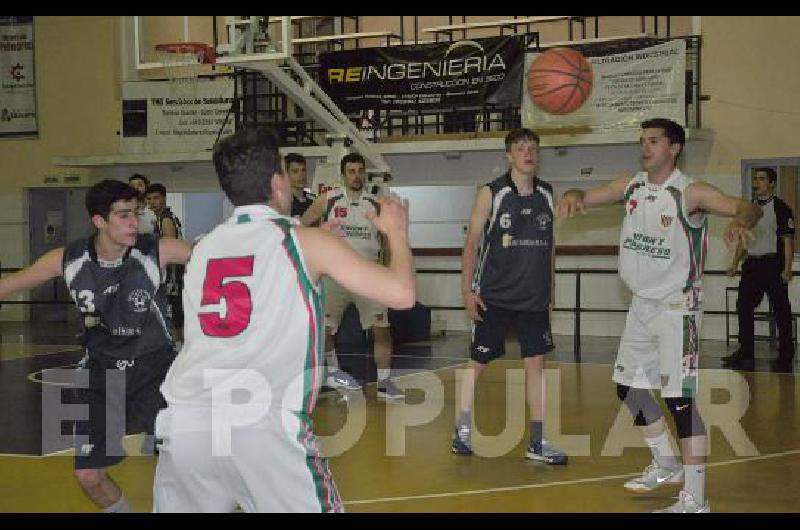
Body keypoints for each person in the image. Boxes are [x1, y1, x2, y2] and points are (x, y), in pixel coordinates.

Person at [152, 127, 415, 512]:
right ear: (278, 183)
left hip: (186, 426)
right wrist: (397, 232)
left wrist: (315, 240)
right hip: (263, 430)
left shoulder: (203, 249)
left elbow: (256, 282)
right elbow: (402, 293)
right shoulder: (300, 241)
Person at [556, 118, 761, 513]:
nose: (645, 147)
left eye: (654, 141)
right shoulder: (630, 185)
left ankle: (696, 500)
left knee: (679, 400)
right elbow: (589, 195)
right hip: (641, 306)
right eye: (642, 140)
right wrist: (576, 193)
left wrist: (739, 220)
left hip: (677, 309)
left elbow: (748, 207)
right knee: (628, 387)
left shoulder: (691, 192)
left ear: (675, 148)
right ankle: (667, 463)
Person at [0, 179, 191, 513]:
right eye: (123, 215)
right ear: (99, 221)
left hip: (155, 368)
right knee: (89, 475)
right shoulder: (69, 259)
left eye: (136, 212)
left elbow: (218, 257)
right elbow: (10, 285)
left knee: (193, 461)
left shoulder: (156, 250)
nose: (134, 222)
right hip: (102, 372)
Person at [450, 128, 567, 465]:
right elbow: (472, 243)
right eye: (520, 148)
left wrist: (551, 287)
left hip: (533, 298)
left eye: (533, 148)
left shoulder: (546, 193)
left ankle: (537, 440)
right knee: (479, 362)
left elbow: (550, 244)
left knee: (537, 365)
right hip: (495, 296)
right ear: (509, 155)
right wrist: (468, 290)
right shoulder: (492, 193)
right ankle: (462, 431)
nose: (528, 153)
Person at [301, 153, 404, 399]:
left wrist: (388, 269)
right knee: (325, 331)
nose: (357, 176)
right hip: (335, 275)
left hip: (368, 275)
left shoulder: (376, 203)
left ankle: (384, 382)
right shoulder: (329, 200)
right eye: (352, 171)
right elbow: (302, 226)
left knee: (381, 329)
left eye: (360, 171)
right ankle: (336, 375)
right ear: (343, 175)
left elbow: (388, 239)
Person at [723, 167, 795, 372]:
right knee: (743, 305)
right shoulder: (749, 209)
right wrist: (735, 262)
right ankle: (746, 353)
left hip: (773, 265)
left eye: (762, 179)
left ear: (772, 183)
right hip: (752, 265)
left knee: (781, 310)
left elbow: (788, 241)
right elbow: (742, 240)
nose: (757, 182)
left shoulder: (781, 209)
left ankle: (785, 355)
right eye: (755, 179)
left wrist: (787, 268)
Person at [145, 183, 186, 338]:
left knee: (174, 311)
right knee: (173, 310)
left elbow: (168, 247)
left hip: (173, 271)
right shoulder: (162, 218)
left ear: (164, 198)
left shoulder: (166, 219)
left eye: (156, 198)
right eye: (149, 199)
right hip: (171, 270)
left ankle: (178, 347)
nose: (152, 202)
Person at [285, 152, 316, 218]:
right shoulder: (282, 203)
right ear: (286, 175)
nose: (301, 175)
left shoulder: (314, 200)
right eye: (295, 171)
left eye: (303, 170)